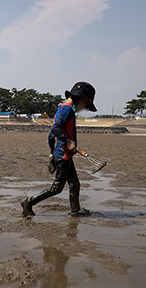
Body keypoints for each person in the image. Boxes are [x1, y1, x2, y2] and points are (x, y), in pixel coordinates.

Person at [21, 82, 97, 217]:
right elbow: (55, 128)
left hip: (64, 155)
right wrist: (67, 142)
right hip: (63, 157)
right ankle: (28, 202)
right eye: (86, 105)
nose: (84, 108)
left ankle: (76, 210)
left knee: (74, 184)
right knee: (56, 188)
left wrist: (51, 151)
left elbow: (51, 135)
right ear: (82, 99)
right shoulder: (67, 110)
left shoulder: (63, 108)